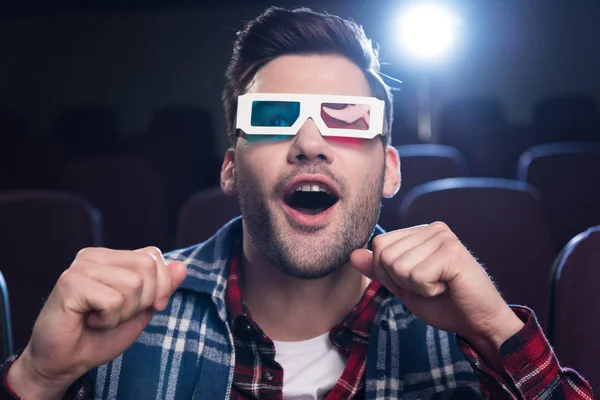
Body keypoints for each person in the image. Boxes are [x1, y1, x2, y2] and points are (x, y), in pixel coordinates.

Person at [1, 6, 593, 400]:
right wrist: (35, 380)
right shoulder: (121, 335)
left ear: (389, 170)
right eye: (275, 119)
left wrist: (496, 332)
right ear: (231, 168)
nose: (310, 142)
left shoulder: (473, 345)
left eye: (346, 121)